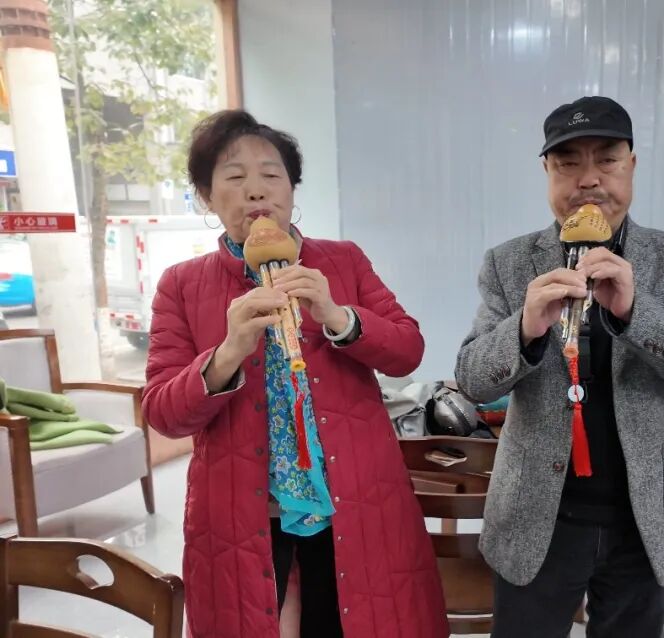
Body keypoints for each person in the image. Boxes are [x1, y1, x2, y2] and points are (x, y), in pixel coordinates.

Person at [141, 110, 448, 638]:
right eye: (234, 177)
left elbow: (407, 351)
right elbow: (163, 414)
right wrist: (228, 352)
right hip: (242, 512)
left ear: (291, 189)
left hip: (356, 499)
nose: (256, 191)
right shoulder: (182, 284)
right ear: (207, 197)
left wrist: (339, 316)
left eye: (271, 174)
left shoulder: (344, 261)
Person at [455, 96, 664, 637]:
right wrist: (524, 328)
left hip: (643, 516)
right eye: (568, 163)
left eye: (606, 160)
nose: (588, 180)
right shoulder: (508, 262)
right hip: (535, 514)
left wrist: (637, 311)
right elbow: (471, 378)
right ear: (546, 171)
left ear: (632, 165)